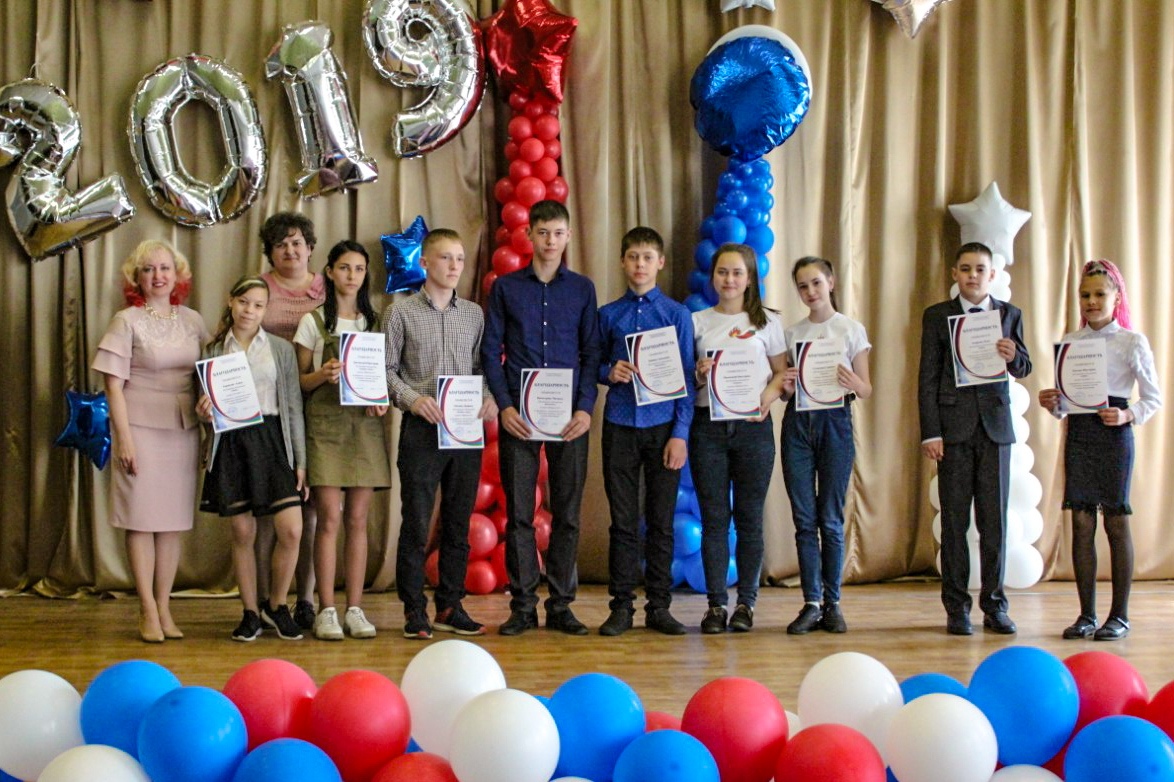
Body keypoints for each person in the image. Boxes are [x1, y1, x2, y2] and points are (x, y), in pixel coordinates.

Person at [482, 199, 602, 636]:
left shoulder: (582, 289)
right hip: (520, 417)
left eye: (558, 233)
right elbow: (490, 351)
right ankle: (522, 606)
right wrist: (505, 405)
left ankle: (562, 605)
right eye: (543, 232)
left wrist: (585, 408)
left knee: (567, 513)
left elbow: (592, 353)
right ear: (529, 235)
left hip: (570, 418)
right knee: (519, 514)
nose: (551, 240)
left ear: (567, 237)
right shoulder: (506, 288)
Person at [1038, 260, 1161, 641]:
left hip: (1114, 438)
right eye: (1085, 295)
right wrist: (1052, 402)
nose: (1091, 301)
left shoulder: (1132, 342)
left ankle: (1119, 616)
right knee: (1081, 522)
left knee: (1115, 522)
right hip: (1080, 436)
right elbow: (1066, 405)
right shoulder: (1071, 342)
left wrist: (1126, 415)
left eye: (1099, 294)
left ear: (1116, 297)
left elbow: (1154, 398)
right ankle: (1086, 615)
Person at [92, 240, 207, 643]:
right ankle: (146, 608)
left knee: (171, 524)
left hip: (183, 429)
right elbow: (113, 386)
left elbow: (207, 376)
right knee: (141, 521)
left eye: (164, 268)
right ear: (136, 278)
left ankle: (164, 606)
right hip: (138, 428)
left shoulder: (193, 320)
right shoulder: (126, 320)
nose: (158, 276)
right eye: (148, 269)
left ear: (178, 275)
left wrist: (209, 409)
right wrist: (123, 439)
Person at [385, 228, 497, 640]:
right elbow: (385, 370)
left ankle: (450, 605)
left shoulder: (474, 314)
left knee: (458, 523)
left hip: (464, 431)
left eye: (460, 258)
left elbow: (481, 368)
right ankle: (414, 609)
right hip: (421, 428)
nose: (454, 266)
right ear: (425, 263)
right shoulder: (400, 313)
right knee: (417, 523)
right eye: (446, 257)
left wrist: (488, 397)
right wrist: (413, 400)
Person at [918, 242, 1031, 636]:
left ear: (991, 275)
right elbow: (927, 377)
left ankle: (995, 606)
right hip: (953, 432)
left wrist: (1013, 355)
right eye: (965, 269)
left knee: (994, 523)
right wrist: (931, 432)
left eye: (980, 269)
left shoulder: (1009, 314)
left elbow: (1025, 366)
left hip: (995, 430)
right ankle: (956, 608)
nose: (972, 275)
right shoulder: (937, 316)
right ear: (954, 274)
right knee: (953, 523)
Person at [596, 227, 695, 636]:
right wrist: (609, 371)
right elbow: (591, 364)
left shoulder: (677, 315)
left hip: (663, 428)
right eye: (633, 256)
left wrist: (680, 433)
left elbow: (686, 377)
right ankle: (621, 608)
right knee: (622, 522)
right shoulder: (608, 315)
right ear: (623, 261)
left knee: (661, 521)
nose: (640, 264)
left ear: (660, 263)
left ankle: (659, 607)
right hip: (619, 425)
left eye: (647, 257)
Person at [197, 276, 307, 642]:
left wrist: (300, 460)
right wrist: (203, 412)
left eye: (258, 305)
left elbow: (293, 407)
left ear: (266, 310)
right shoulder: (212, 350)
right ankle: (249, 612)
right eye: (244, 302)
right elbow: (206, 409)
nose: (250, 310)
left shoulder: (280, 349)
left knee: (291, 529)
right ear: (231, 301)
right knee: (242, 532)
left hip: (274, 439)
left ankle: (276, 605)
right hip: (232, 443)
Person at [293, 241, 391, 641]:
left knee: (358, 520)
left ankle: (355, 608)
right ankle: (326, 609)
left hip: (364, 428)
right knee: (328, 520)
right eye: (345, 268)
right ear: (330, 272)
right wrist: (323, 375)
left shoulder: (376, 322)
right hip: (326, 429)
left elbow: (384, 376)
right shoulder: (312, 321)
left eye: (359, 269)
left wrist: (381, 399)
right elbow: (299, 383)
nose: (352, 275)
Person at [691, 243, 789, 634]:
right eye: (722, 272)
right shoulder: (696, 322)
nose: (729, 280)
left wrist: (767, 397)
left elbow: (782, 374)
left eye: (737, 273)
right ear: (712, 277)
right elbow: (684, 381)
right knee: (714, 521)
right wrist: (699, 374)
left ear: (750, 279)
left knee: (749, 520)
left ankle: (746, 604)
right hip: (708, 429)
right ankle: (716, 606)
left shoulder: (769, 322)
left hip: (753, 429)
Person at [779, 257, 872, 635]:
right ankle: (811, 603)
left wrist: (853, 382)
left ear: (830, 282)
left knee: (831, 519)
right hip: (798, 425)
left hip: (835, 423)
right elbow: (786, 393)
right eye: (802, 286)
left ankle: (833, 603)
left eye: (816, 282)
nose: (810, 291)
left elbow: (866, 389)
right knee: (804, 520)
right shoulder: (792, 334)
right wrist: (786, 386)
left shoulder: (850, 329)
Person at [257, 211, 325, 631]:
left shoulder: (327, 287)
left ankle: (306, 599)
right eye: (280, 243)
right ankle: (267, 600)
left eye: (297, 242)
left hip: (318, 404)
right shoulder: (258, 288)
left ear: (310, 247)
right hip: (270, 407)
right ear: (270, 251)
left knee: (312, 511)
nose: (290, 250)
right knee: (271, 511)